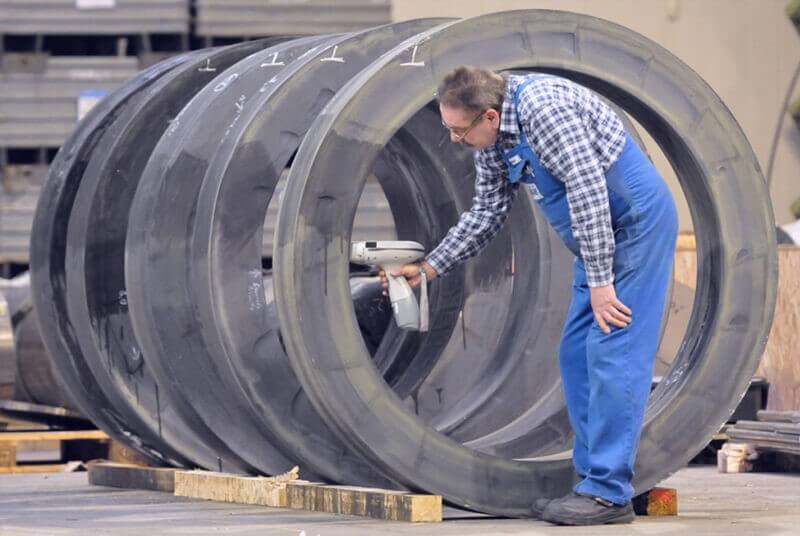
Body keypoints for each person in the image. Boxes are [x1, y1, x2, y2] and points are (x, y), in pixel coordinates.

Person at [380, 66, 678, 525]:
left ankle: (609, 494)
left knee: (611, 349)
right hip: (598, 240)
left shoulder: (546, 111)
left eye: (460, 130)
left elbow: (589, 195)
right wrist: (431, 267)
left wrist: (601, 284)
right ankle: (592, 483)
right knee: (576, 355)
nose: (455, 140)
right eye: (449, 129)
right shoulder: (494, 138)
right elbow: (486, 213)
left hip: (632, 227)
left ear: (491, 117)